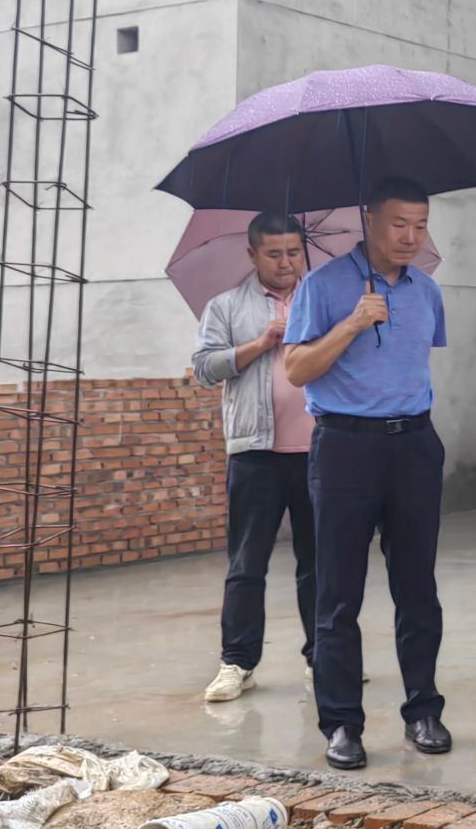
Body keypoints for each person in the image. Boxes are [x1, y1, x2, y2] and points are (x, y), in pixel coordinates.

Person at [283, 177, 451, 771]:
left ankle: (423, 710)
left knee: (418, 587)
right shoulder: (322, 285)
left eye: (420, 225)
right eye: (399, 223)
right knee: (338, 592)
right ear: (369, 220)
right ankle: (341, 723)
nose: (410, 236)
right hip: (345, 447)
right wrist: (352, 323)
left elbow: (409, 364)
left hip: (414, 445)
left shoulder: (427, 291)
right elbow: (297, 368)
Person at [191, 214, 316, 702]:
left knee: (321, 562)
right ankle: (238, 664)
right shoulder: (225, 306)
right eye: (274, 253)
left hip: (319, 450)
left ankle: (324, 656)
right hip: (255, 453)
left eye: (293, 252)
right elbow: (205, 368)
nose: (285, 263)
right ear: (252, 254)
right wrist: (260, 343)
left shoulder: (321, 298)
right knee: (247, 565)